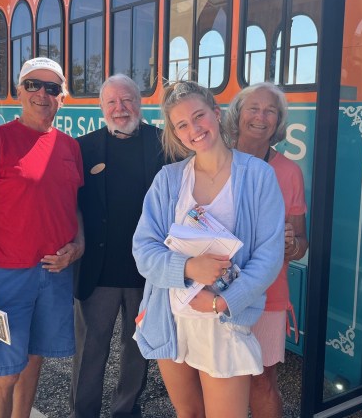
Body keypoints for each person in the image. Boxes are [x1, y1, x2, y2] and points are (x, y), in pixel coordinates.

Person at [132, 80, 285, 418]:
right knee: (188, 414)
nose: (194, 129)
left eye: (199, 116)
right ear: (176, 133)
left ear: (216, 114)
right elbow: (143, 249)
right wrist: (189, 267)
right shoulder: (168, 180)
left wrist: (222, 301)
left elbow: (269, 256)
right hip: (170, 318)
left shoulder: (258, 176)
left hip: (222, 323)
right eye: (182, 125)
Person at [0, 57, 84, 418]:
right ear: (19, 90)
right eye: (33, 85)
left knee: (32, 363)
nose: (42, 94)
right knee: (5, 372)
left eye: (52, 87)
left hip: (55, 276)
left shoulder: (69, 147)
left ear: (63, 97)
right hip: (5, 277)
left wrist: (79, 246)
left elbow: (72, 206)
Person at [68, 74, 164, 418]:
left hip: (148, 273)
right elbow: (69, 203)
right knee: (90, 350)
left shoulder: (163, 142)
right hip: (98, 271)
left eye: (127, 100)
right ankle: (84, 412)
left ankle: (126, 410)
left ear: (139, 103)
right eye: (112, 102)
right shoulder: (83, 147)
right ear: (101, 107)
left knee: (138, 349)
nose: (120, 108)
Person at [225, 82, 309, 418]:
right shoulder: (215, 159)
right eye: (253, 108)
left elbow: (302, 244)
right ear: (238, 115)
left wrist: (292, 244)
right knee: (217, 376)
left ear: (278, 121)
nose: (261, 117)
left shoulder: (289, 172)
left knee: (262, 380)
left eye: (270, 110)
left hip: (268, 294)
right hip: (214, 291)